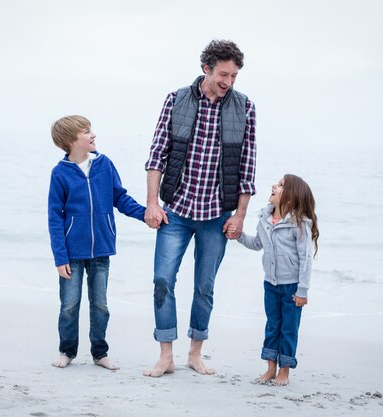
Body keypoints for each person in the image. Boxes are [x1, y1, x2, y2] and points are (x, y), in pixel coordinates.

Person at [143, 40, 257, 377]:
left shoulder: (245, 107)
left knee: (205, 286)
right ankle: (166, 355)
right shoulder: (176, 100)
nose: (228, 81)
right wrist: (152, 202)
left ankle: (195, 353)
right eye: (223, 74)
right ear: (206, 68)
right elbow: (156, 155)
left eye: (234, 76)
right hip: (175, 210)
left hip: (217, 214)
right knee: (162, 280)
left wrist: (240, 215)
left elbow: (247, 167)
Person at [47, 115, 146, 371]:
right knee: (69, 305)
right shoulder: (60, 173)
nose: (93, 135)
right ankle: (67, 351)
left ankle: (99, 353)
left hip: (101, 249)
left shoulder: (104, 165)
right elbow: (54, 218)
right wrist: (60, 258)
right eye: (87, 132)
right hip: (72, 254)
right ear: (71, 140)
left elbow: (120, 198)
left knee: (100, 304)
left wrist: (145, 214)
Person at [236, 174, 319, 386]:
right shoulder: (264, 218)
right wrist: (238, 235)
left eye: (281, 185)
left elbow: (306, 259)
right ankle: (270, 368)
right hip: (270, 284)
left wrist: (303, 290)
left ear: (291, 197)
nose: (274, 185)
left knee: (288, 328)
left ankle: (284, 371)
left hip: (292, 288)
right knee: (272, 326)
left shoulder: (299, 224)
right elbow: (256, 244)